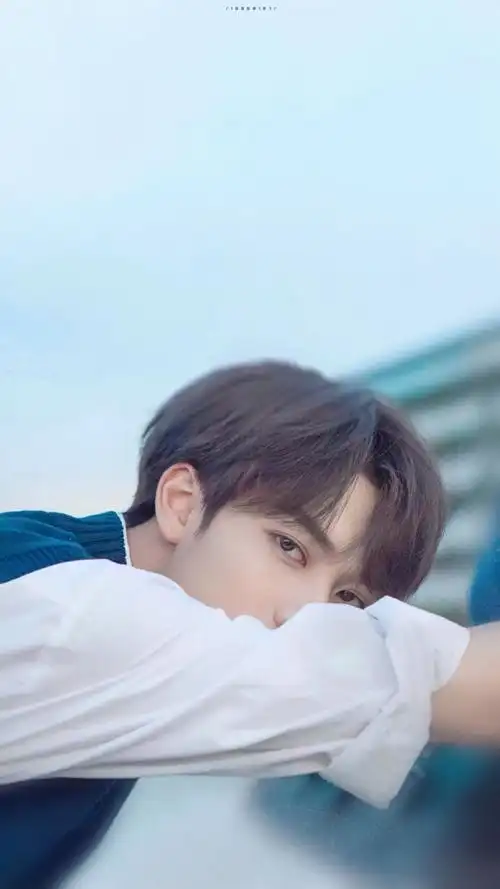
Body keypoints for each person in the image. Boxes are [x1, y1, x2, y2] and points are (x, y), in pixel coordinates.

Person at [0, 360, 493, 887]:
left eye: (348, 597)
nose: (311, 613)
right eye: (289, 547)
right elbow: (427, 685)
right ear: (182, 504)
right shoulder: (73, 616)